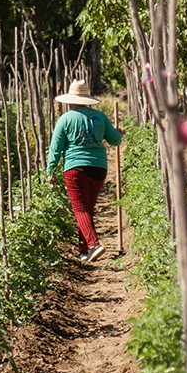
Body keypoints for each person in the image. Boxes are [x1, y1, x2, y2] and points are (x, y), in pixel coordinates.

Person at [46, 78, 122, 263]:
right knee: (86, 210)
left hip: (75, 169)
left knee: (80, 209)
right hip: (99, 169)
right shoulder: (101, 117)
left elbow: (56, 147)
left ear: (70, 100)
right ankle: (84, 251)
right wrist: (118, 133)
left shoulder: (65, 119)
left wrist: (50, 171)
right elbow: (115, 140)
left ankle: (94, 244)